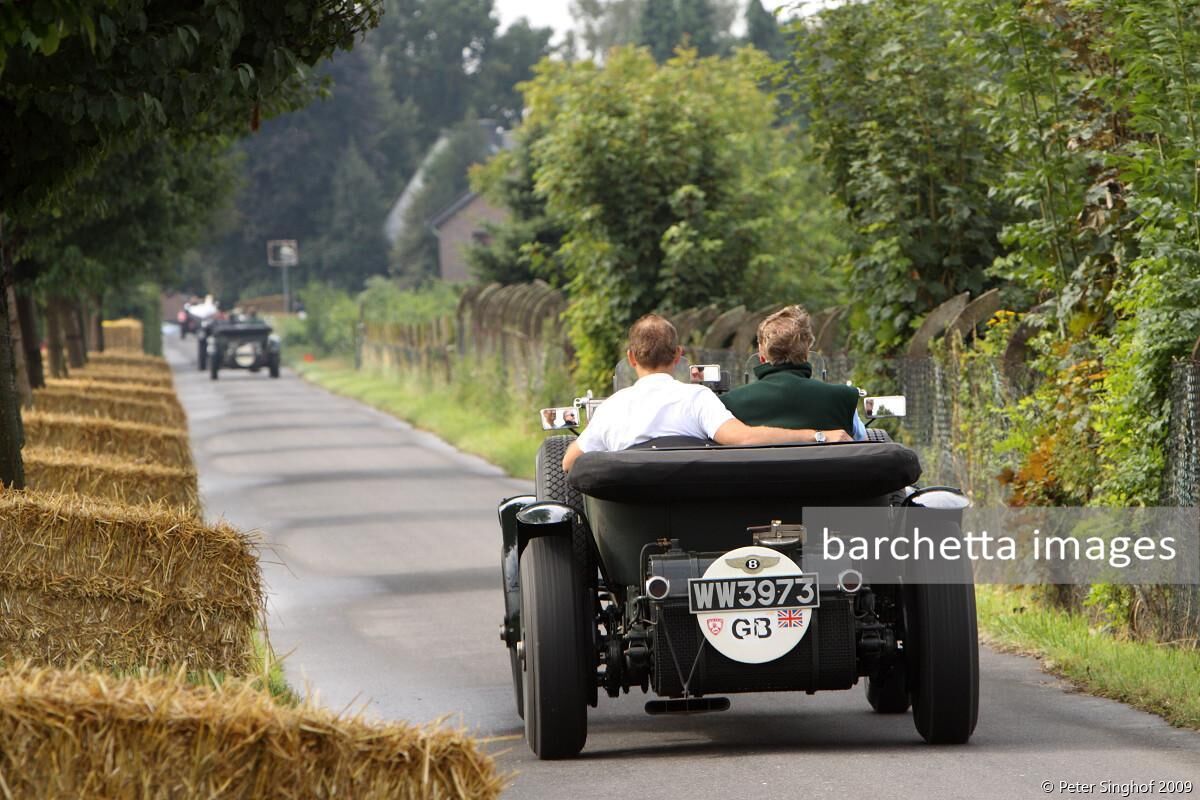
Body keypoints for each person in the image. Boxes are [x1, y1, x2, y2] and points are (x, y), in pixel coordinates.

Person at [561, 314, 851, 472]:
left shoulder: (612, 408)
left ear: (631, 358)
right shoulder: (697, 398)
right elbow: (744, 438)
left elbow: (568, 462)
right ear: (678, 355)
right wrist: (816, 435)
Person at [721, 305, 866, 440]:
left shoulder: (728, 403)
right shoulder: (842, 398)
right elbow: (862, 446)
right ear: (806, 352)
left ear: (761, 354)